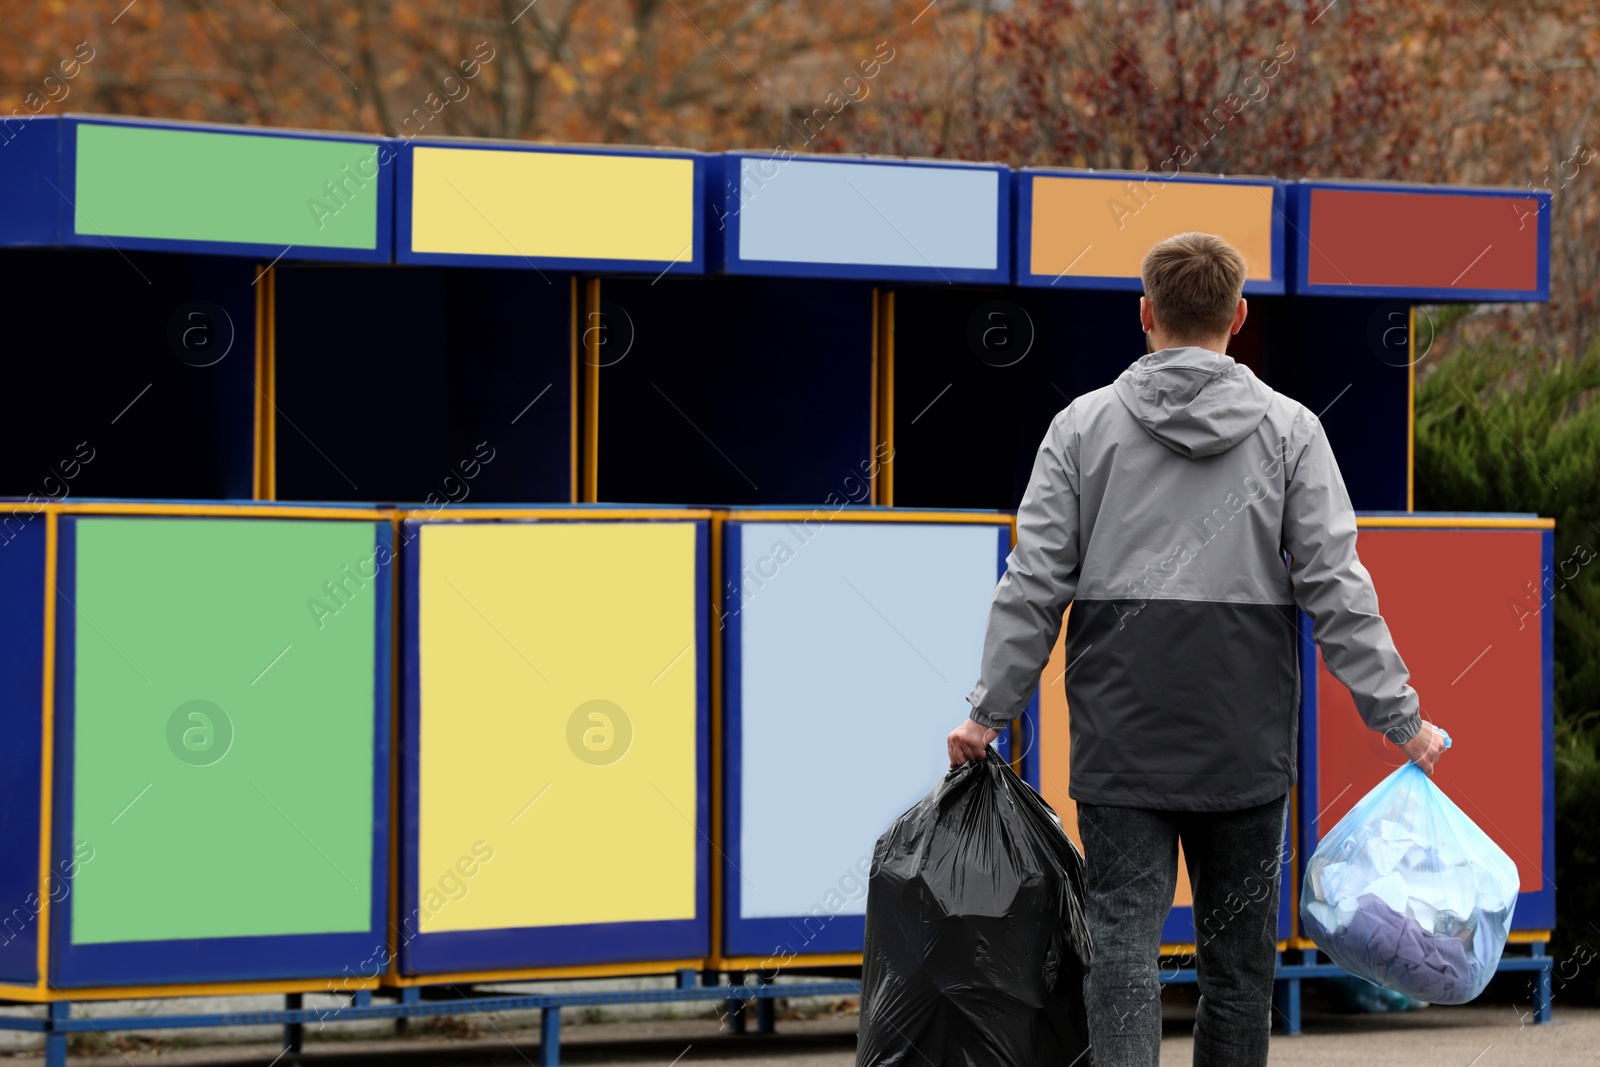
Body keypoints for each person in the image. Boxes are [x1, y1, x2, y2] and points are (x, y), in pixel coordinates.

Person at [946, 231, 1447, 1067]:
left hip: (1122, 740)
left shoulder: (1081, 429)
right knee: (1240, 966)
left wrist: (986, 715)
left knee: (1121, 953)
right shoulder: (1291, 432)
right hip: (1244, 745)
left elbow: (1031, 585)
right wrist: (1403, 720)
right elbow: (1338, 588)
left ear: (1145, 313)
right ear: (1239, 317)